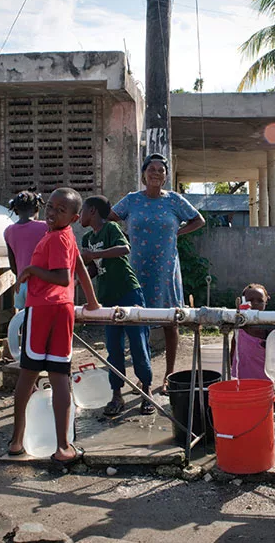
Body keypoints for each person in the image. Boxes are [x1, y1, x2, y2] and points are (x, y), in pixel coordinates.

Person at [8, 188, 101, 466]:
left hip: (43, 310)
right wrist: (93, 301)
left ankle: (16, 440)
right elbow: (80, 269)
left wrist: (31, 271)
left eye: (61, 210)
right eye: (50, 206)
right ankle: (63, 446)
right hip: (63, 310)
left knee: (28, 376)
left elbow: (62, 277)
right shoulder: (65, 236)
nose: (52, 212)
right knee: (60, 375)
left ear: (73, 218)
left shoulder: (58, 238)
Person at [109, 153, 205, 393]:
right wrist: (124, 238)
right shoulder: (131, 200)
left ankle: (169, 376)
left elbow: (198, 220)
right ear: (143, 174)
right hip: (138, 268)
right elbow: (110, 219)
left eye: (160, 170)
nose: (155, 173)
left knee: (170, 322)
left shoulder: (174, 200)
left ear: (165, 177)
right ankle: (144, 376)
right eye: (151, 169)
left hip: (166, 269)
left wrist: (177, 234)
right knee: (138, 322)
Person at [80, 195, 154, 416]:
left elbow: (124, 248)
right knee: (113, 349)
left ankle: (146, 392)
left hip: (128, 292)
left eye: (83, 210)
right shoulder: (86, 239)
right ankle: (116, 394)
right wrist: (76, 280)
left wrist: (95, 254)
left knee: (139, 345)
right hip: (107, 298)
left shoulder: (111, 228)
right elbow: (94, 268)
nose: (80, 216)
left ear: (92, 211)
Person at [4, 191, 47, 310]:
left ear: (16, 210)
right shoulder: (46, 227)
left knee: (24, 324)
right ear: (37, 208)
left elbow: (13, 267)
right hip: (40, 286)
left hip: (21, 286)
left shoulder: (8, 231)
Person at [229, 283, 271, 381]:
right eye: (250, 300)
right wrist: (231, 363)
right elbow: (234, 345)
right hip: (242, 373)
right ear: (243, 301)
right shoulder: (240, 325)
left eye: (260, 301)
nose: (255, 304)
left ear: (266, 302)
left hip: (264, 376)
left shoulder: (269, 326)